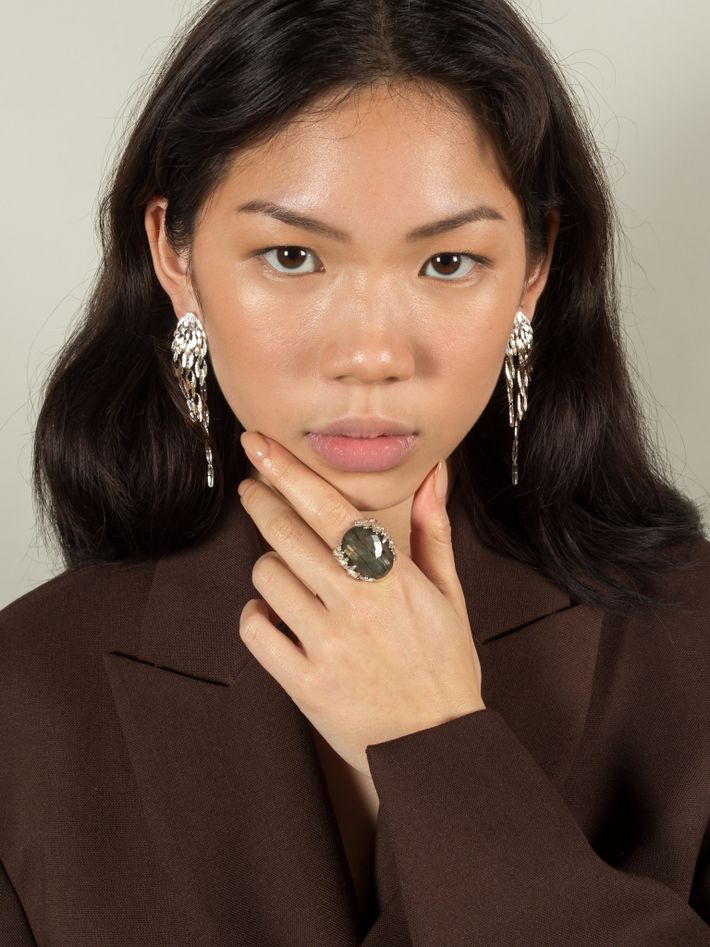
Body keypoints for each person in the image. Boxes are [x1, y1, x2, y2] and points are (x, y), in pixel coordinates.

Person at [1, 0, 709, 943]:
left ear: (534, 269)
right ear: (176, 256)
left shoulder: (690, 645)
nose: (373, 353)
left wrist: (436, 741)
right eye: (292, 256)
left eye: (449, 261)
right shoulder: (26, 694)